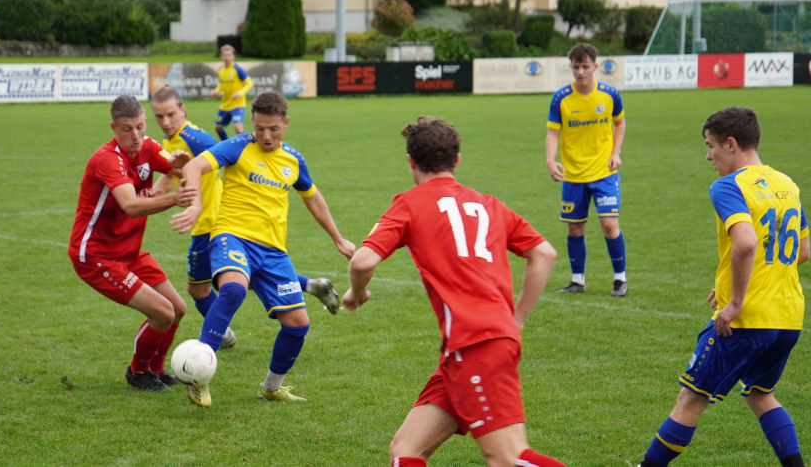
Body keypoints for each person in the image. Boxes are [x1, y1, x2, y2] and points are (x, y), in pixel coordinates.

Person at [342, 117, 567, 467]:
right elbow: (544, 253)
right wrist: (517, 318)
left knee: (508, 458)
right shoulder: (489, 205)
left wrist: (355, 294)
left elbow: (361, 262)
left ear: (411, 162)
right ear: (457, 160)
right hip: (466, 349)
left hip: (476, 343)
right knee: (406, 450)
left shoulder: (409, 203)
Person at [635, 106, 808, 467]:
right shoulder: (786, 184)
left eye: (711, 146)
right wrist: (734, 279)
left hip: (746, 320)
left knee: (689, 401)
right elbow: (803, 250)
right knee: (761, 395)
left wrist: (736, 300)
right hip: (788, 317)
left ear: (731, 144)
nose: (708, 155)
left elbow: (746, 243)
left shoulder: (729, 186)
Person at [171, 90, 356, 407]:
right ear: (252, 124)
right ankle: (198, 373)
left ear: (286, 122)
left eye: (273, 128)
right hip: (232, 236)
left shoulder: (293, 160)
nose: (266, 136)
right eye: (259, 128)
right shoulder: (239, 146)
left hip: (272, 251)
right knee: (233, 290)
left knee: (298, 324)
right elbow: (193, 167)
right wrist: (198, 201)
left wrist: (337, 237)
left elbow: (312, 197)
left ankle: (271, 388)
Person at [149, 86, 342, 355]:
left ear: (183, 110)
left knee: (208, 286)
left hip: (215, 223)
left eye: (170, 114)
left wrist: (196, 201)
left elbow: (208, 161)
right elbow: (178, 171)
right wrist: (156, 192)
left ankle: (222, 341)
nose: (165, 121)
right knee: (225, 282)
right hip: (218, 225)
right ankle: (306, 285)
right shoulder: (174, 140)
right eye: (159, 116)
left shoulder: (196, 138)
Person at [68, 95, 196, 392]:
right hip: (96, 256)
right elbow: (130, 205)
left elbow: (179, 170)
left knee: (177, 308)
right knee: (162, 313)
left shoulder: (149, 146)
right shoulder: (107, 159)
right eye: (127, 129)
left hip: (128, 251)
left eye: (139, 127)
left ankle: (157, 369)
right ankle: (137, 372)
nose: (135, 135)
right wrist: (173, 197)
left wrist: (183, 168)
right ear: (114, 128)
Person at [545, 43, 629, 297]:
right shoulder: (561, 98)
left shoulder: (609, 94)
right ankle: (577, 281)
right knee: (574, 228)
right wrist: (551, 160)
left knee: (609, 225)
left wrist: (615, 153)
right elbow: (552, 132)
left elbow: (620, 123)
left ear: (595, 66)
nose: (580, 72)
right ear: (570, 67)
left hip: (604, 173)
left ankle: (620, 279)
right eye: (575, 67)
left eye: (585, 66)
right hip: (573, 175)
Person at [212, 44, 254, 141]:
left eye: (229, 55)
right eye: (225, 55)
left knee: (238, 128)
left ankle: (246, 146)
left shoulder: (237, 69)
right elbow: (221, 84)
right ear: (221, 56)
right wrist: (217, 91)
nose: (227, 57)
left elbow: (249, 83)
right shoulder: (220, 70)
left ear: (233, 56)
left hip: (237, 104)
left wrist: (240, 93)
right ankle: (226, 144)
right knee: (217, 128)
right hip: (225, 105)